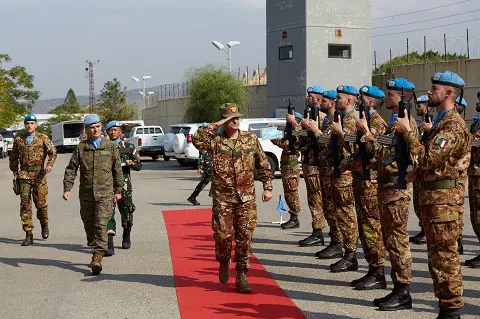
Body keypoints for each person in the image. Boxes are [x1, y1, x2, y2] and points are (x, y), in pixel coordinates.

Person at [395, 71, 470, 319]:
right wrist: (414, 173)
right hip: (434, 202)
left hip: (444, 204)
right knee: (437, 259)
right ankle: (445, 309)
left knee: (445, 260)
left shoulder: (453, 126)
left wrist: (409, 133)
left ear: (448, 93)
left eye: (434, 88)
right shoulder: (440, 123)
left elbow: (428, 159)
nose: (429, 92)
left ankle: (451, 312)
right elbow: (433, 165)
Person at [192, 103, 274, 293]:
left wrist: (267, 187)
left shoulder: (250, 139)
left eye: (237, 117)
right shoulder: (215, 140)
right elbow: (197, 139)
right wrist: (217, 124)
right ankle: (223, 260)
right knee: (223, 236)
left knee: (245, 237)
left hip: (246, 197)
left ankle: (242, 275)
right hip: (223, 198)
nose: (235, 121)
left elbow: (262, 165)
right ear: (224, 120)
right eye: (231, 118)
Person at [357, 78, 418, 311]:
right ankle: (397, 288)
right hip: (386, 187)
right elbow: (382, 153)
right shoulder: (394, 122)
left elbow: (405, 154)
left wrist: (366, 132)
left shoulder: (405, 123)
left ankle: (403, 291)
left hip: (396, 189)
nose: (387, 97)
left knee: (398, 241)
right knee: (391, 240)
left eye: (391, 93)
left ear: (403, 97)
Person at [63, 114, 124, 275]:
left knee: (100, 225)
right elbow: (71, 169)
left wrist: (118, 190)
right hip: (86, 195)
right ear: (87, 130)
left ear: (101, 127)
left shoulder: (110, 146)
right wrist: (67, 188)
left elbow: (117, 170)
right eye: (92, 127)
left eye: (97, 126)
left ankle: (97, 258)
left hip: (105, 194)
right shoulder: (81, 148)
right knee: (89, 225)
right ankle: (94, 245)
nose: (95, 130)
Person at [347, 85, 388, 290]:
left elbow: (377, 153)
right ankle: (372, 269)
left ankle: (379, 272)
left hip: (370, 182)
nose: (358, 100)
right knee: (365, 227)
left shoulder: (377, 123)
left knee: (372, 227)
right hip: (360, 179)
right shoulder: (365, 121)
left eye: (361, 98)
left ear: (370, 102)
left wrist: (365, 130)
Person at [305, 90, 344, 260]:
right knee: (328, 207)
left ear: (332, 103)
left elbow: (327, 142)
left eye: (325, 100)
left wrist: (315, 130)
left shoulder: (334, 120)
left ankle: (338, 243)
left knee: (333, 208)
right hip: (323, 168)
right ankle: (334, 241)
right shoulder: (327, 119)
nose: (321, 102)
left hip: (331, 170)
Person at [324, 85, 359, 273]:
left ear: (349, 101)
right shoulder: (342, 119)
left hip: (346, 174)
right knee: (340, 214)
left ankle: (351, 255)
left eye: (338, 98)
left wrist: (340, 132)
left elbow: (355, 147)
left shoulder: (352, 120)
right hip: (337, 171)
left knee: (346, 215)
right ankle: (344, 250)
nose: (335, 101)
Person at [9, 113, 57, 246]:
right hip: (24, 175)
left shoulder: (43, 138)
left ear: (36, 125)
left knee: (41, 204)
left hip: (39, 176)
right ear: (25, 125)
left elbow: (52, 152)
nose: (29, 125)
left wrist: (49, 164)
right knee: (25, 205)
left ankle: (44, 223)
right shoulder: (19, 140)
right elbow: (13, 157)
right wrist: (14, 172)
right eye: (27, 123)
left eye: (32, 123)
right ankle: (28, 233)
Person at [289, 86, 327, 247]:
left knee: (316, 199)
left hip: (315, 164)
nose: (307, 98)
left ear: (317, 99)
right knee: (314, 198)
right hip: (309, 162)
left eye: (310, 96)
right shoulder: (310, 115)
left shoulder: (319, 116)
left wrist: (296, 125)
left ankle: (318, 232)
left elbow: (316, 138)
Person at [104, 120, 142, 257]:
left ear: (120, 131)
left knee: (126, 211)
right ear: (107, 132)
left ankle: (126, 233)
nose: (113, 132)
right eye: (110, 130)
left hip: (125, 186)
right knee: (108, 212)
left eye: (116, 129)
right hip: (108, 185)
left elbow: (139, 165)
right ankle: (109, 243)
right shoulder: (103, 147)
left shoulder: (129, 147)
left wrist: (131, 163)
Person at [271, 112, 303, 231]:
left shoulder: (296, 134)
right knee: (288, 192)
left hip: (291, 167)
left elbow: (284, 144)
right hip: (286, 167)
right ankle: (293, 217)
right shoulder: (290, 133)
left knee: (292, 193)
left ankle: (295, 217)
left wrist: (273, 135)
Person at [410, 95, 431, 245]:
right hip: (418, 167)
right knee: (418, 203)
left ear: (427, 107)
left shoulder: (431, 124)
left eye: (420, 106)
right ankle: (423, 228)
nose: (418, 108)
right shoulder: (419, 124)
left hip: (426, 167)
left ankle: (426, 229)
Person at [466, 89, 480, 268]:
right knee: (476, 216)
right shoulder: (477, 121)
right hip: (475, 173)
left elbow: (474, 141)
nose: (477, 102)